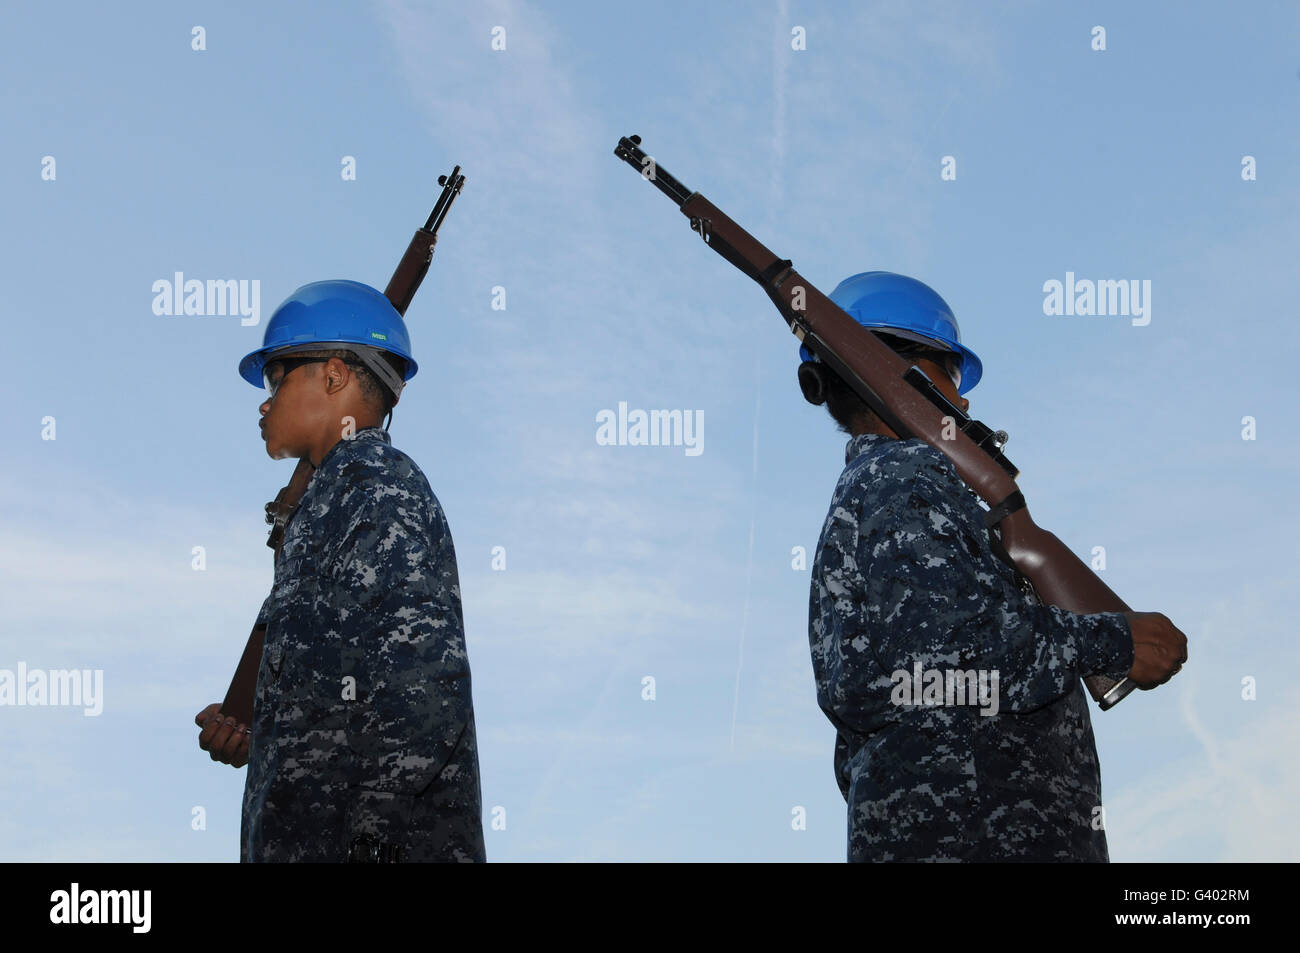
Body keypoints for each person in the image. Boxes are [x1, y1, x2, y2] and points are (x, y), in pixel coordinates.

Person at [799, 271, 1187, 862]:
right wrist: (1113, 640)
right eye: (953, 375)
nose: (964, 398)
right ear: (912, 376)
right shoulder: (903, 478)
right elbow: (947, 655)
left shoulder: (886, 489)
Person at [197, 279, 485, 862]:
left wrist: (370, 843)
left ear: (333, 375)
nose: (264, 400)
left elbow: (425, 687)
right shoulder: (319, 511)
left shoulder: (377, 486)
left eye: (277, 377)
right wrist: (258, 731)